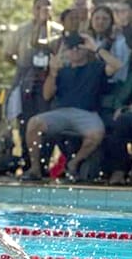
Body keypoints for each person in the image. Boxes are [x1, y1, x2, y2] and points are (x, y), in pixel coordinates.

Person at [21, 32, 122, 182]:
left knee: (96, 133)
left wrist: (96, 48)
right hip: (62, 112)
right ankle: (35, 168)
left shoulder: (96, 67)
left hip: (87, 113)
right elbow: (47, 95)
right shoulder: (62, 70)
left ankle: (73, 163)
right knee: (33, 123)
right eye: (71, 48)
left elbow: (117, 65)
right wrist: (53, 73)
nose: (75, 50)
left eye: (79, 47)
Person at [3, 0, 63, 146]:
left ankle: (44, 157)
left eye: (46, 7)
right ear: (33, 9)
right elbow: (8, 54)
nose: (42, 11)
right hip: (26, 81)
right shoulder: (22, 30)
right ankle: (26, 156)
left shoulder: (59, 31)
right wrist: (22, 68)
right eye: (38, 7)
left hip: (49, 80)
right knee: (25, 119)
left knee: (46, 119)